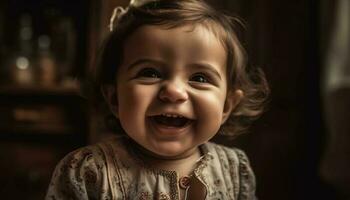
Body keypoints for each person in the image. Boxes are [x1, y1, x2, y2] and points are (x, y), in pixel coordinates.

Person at [45, 0, 269, 199]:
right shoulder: (87, 172)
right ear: (114, 98)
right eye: (150, 73)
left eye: (199, 77)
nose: (174, 91)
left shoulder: (234, 170)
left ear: (226, 106)